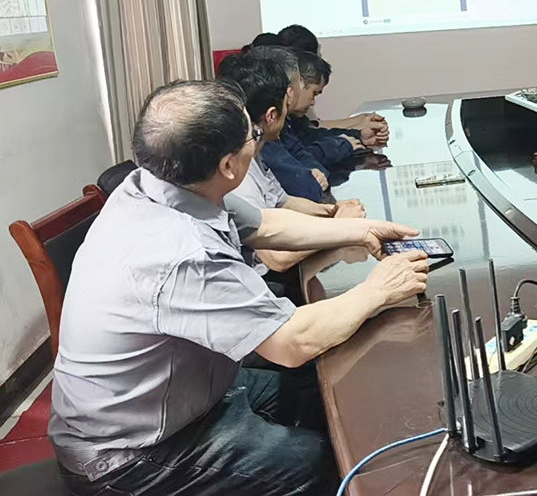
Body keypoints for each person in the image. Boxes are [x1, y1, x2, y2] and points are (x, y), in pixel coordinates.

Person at [50, 80, 431, 496]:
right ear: (229, 165)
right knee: (338, 463)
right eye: (252, 134)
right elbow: (291, 342)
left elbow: (266, 225)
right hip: (131, 456)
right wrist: (378, 289)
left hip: (185, 398)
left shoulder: (159, 184)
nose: (258, 140)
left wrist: (363, 229)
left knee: (322, 385)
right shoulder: (180, 253)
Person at [217, 50, 365, 224]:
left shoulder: (256, 150)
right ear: (272, 115)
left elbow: (284, 201)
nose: (289, 104)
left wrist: (334, 210)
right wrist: (340, 223)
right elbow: (266, 239)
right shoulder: (242, 163)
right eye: (285, 102)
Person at [268, 24, 391, 143]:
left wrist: (359, 131)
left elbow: (311, 132)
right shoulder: (271, 119)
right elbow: (308, 138)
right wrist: (355, 130)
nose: (313, 102)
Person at [240, 46, 331, 202]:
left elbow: (284, 201)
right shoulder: (257, 140)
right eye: (297, 84)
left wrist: (313, 171)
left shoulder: (268, 132)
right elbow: (304, 189)